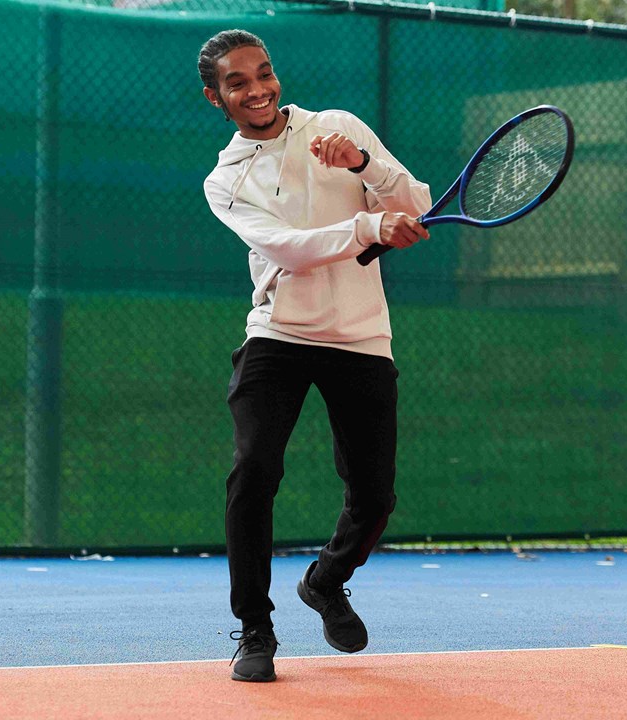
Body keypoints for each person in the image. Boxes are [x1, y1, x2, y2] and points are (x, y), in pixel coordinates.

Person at [198, 29, 432, 682]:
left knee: (375, 496)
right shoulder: (226, 180)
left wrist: (365, 167)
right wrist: (368, 226)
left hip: (361, 337)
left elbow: (417, 204)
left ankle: (326, 581)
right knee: (254, 469)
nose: (257, 89)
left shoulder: (335, 128)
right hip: (279, 335)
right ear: (216, 98)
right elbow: (288, 249)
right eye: (237, 82)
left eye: (264, 73)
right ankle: (254, 630)